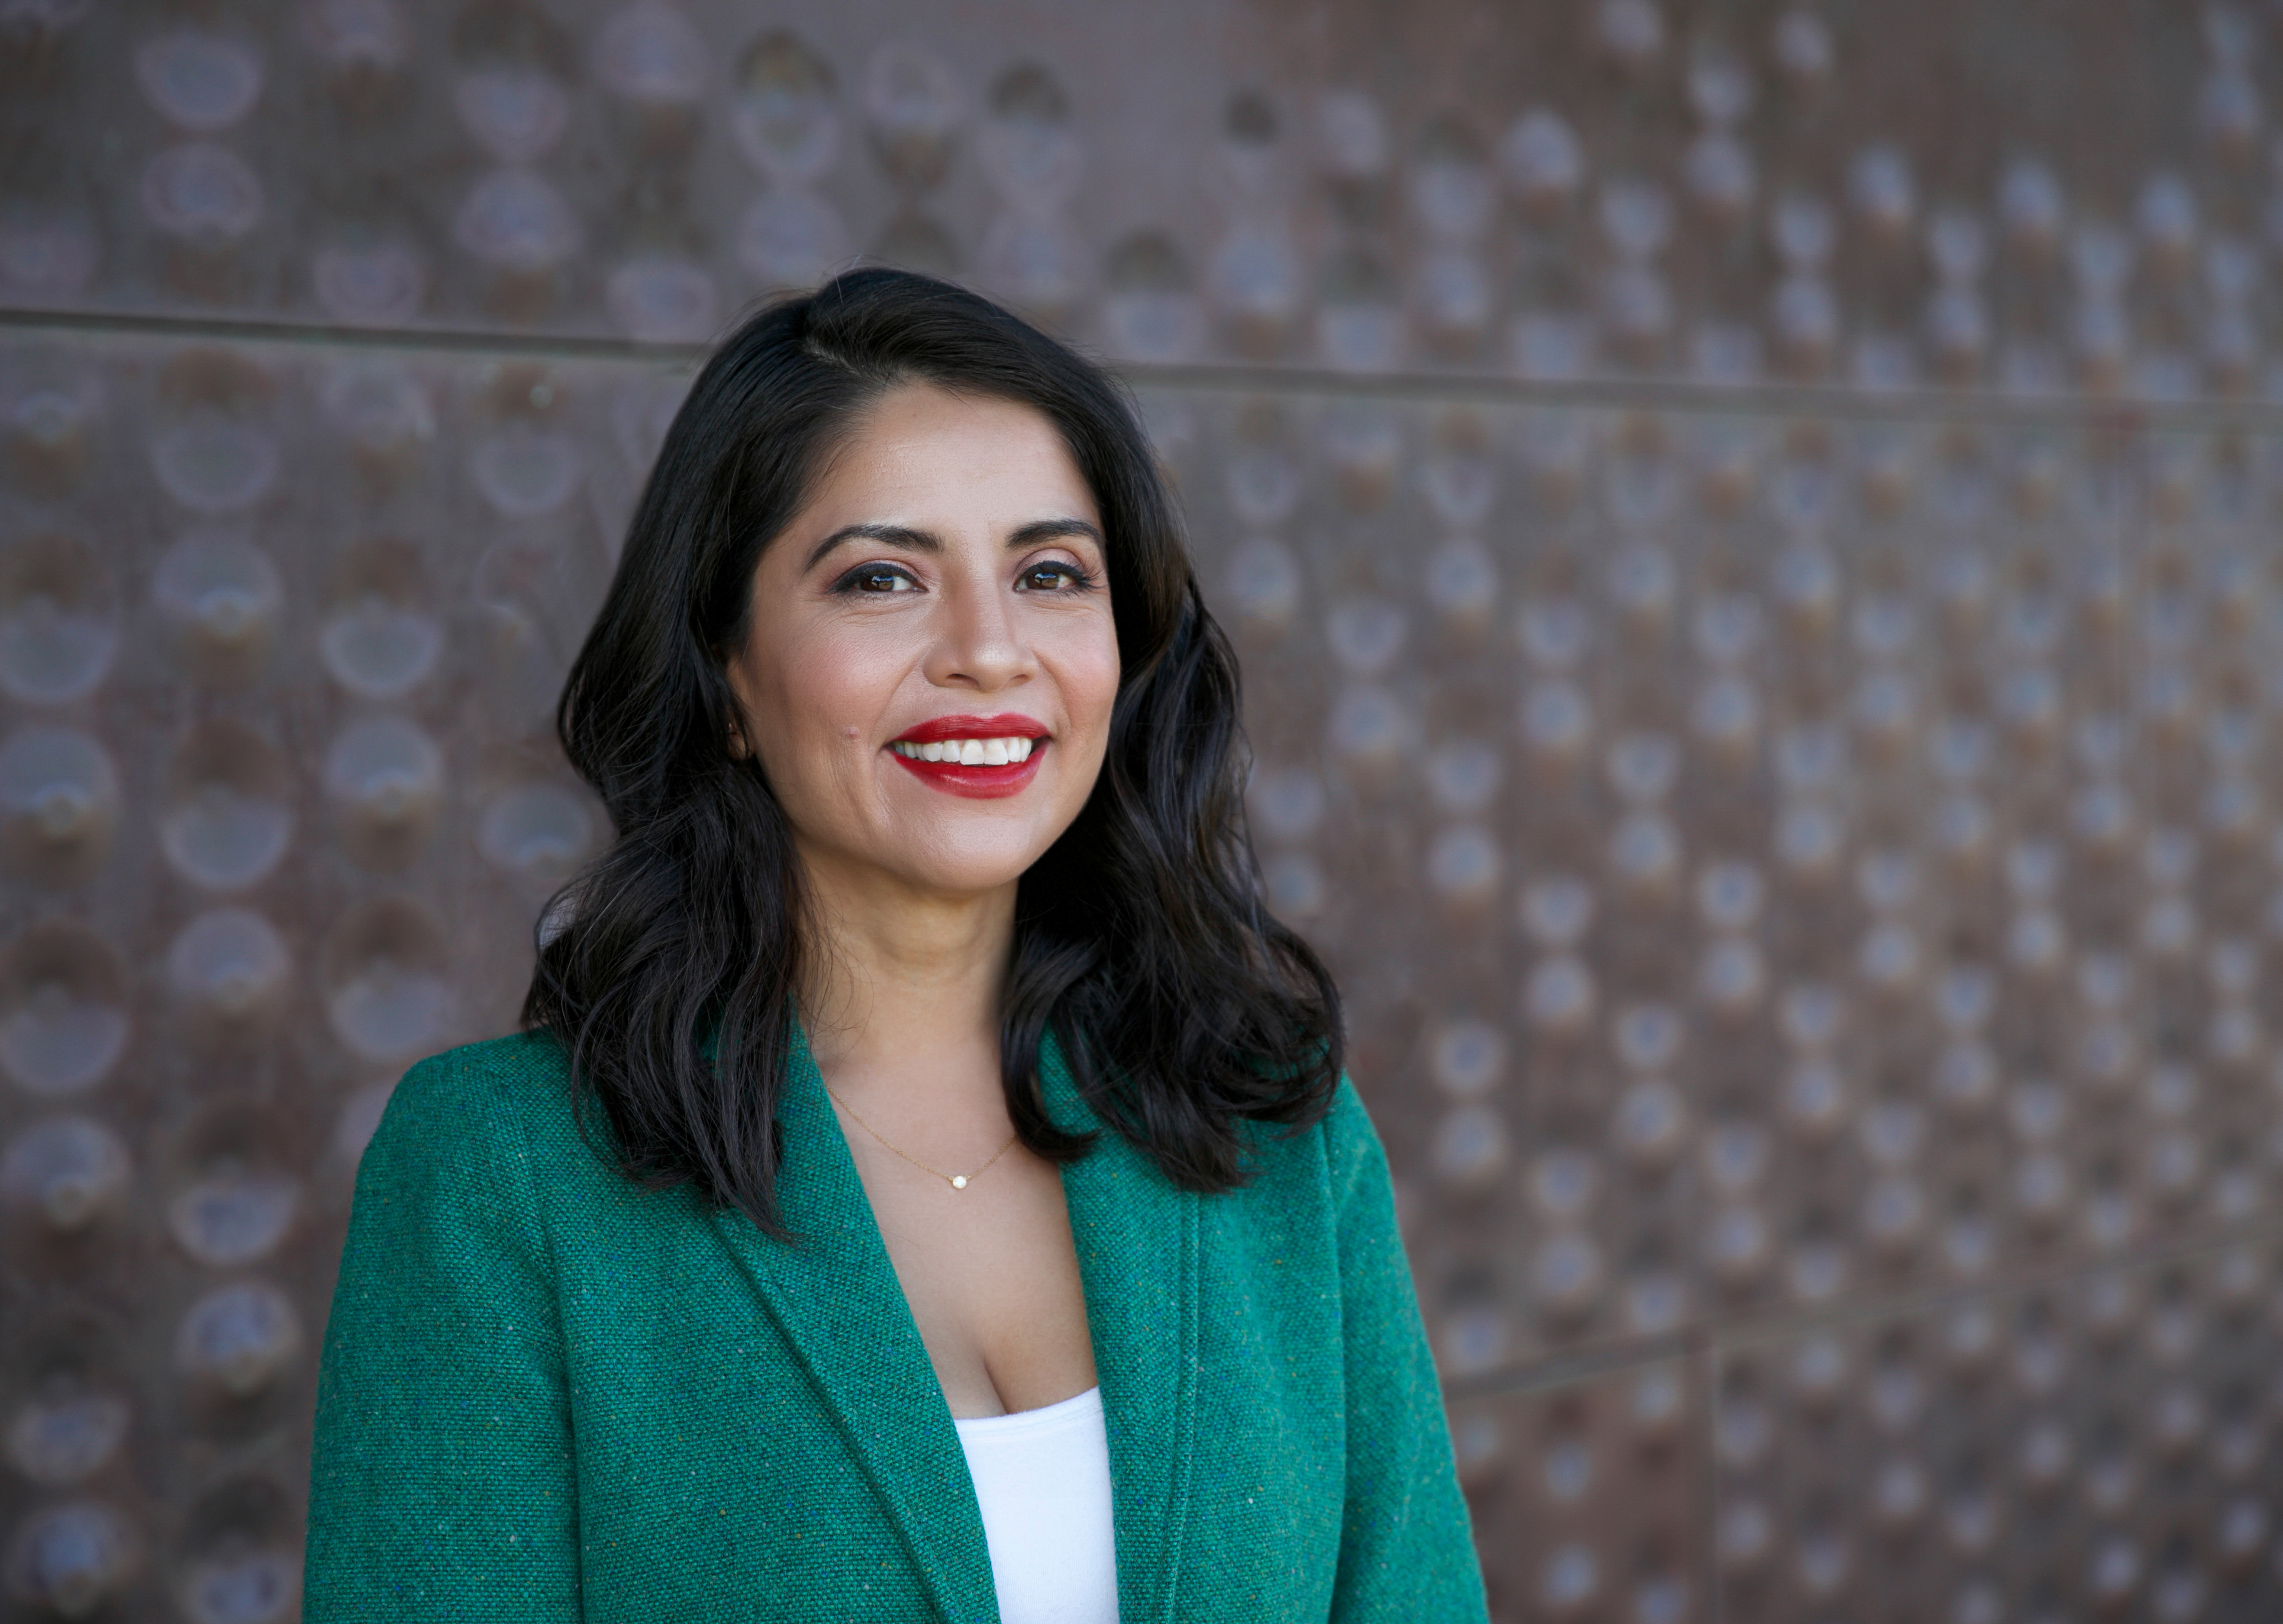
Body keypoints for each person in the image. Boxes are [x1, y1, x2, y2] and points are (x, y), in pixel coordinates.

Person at [304, 267, 1487, 1624]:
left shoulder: (1275, 1128)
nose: (990, 651)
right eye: (881, 578)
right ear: (729, 675)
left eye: (1051, 573)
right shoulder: (502, 1178)